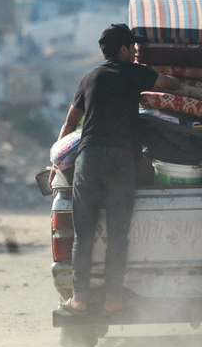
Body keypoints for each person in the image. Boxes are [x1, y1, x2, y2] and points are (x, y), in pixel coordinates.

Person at [50, 24, 180, 314]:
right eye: (132, 47)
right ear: (122, 49)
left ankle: (80, 299)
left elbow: (70, 124)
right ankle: (113, 298)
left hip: (88, 159)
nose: (135, 51)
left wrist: (56, 163)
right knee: (118, 236)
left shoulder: (89, 77)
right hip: (121, 161)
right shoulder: (136, 72)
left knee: (83, 236)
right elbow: (171, 85)